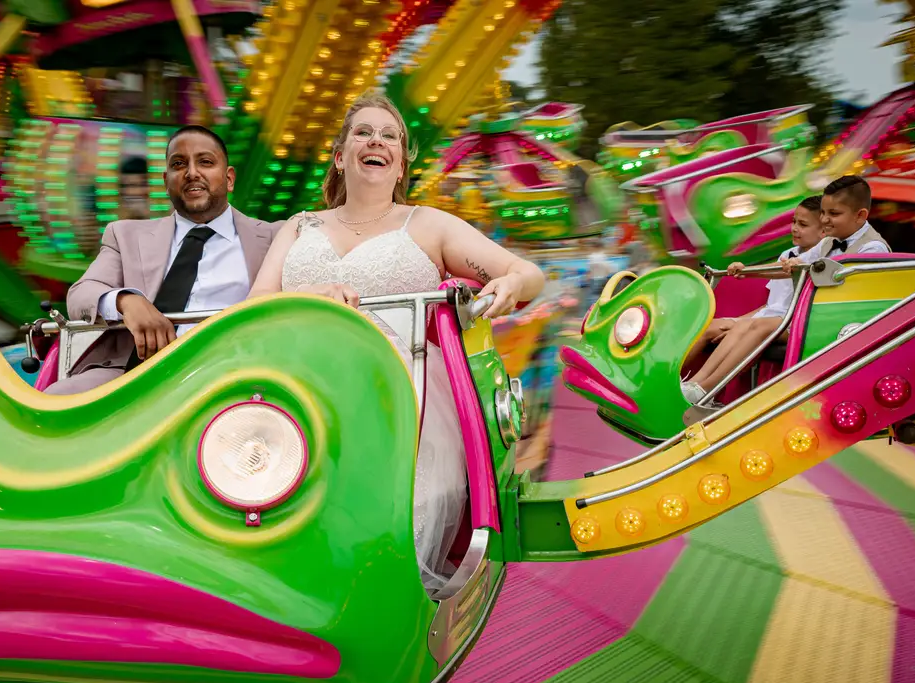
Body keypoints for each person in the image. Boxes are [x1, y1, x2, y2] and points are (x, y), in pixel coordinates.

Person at [247, 93, 545, 587]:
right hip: (299, 386)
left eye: (390, 136)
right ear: (340, 156)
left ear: (401, 163)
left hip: (396, 396)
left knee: (372, 541)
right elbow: (254, 302)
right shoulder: (300, 226)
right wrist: (312, 295)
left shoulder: (428, 224)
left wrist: (512, 283)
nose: (377, 141)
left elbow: (527, 273)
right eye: (363, 132)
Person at [46, 125, 280, 395]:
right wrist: (127, 301)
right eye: (179, 164)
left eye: (205, 162)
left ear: (229, 179)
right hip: (138, 371)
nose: (192, 173)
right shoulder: (125, 235)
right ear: (166, 182)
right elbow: (80, 294)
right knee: (56, 400)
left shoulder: (273, 237)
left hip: (234, 373)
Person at [680, 195, 826, 405]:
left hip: (789, 322)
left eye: (803, 225)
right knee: (710, 326)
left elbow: (790, 296)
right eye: (794, 222)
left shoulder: (818, 261)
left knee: (746, 326)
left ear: (823, 232)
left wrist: (747, 273)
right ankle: (679, 380)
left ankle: (704, 389)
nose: (794, 228)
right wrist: (737, 321)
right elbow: (771, 304)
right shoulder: (787, 253)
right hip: (767, 317)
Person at [781, 174, 890, 268]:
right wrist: (790, 264)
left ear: (860, 215)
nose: (824, 220)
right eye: (823, 212)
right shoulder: (828, 242)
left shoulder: (873, 248)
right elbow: (799, 263)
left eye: (834, 213)